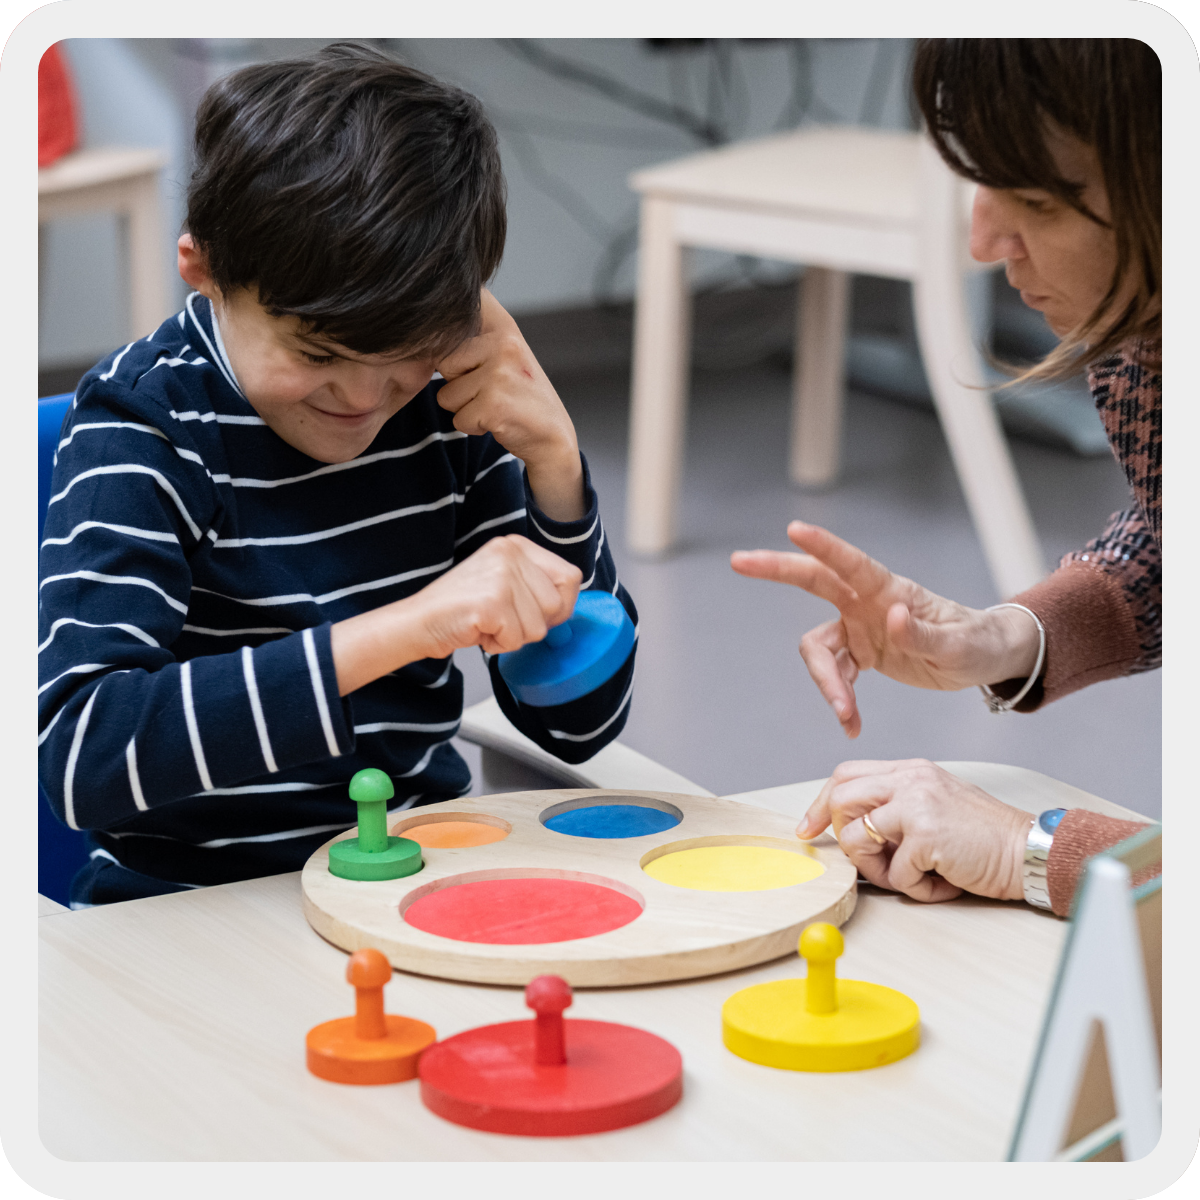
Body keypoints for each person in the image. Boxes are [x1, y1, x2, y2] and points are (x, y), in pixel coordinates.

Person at [38, 44, 637, 907]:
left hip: (416, 886)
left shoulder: (445, 403)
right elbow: (82, 759)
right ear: (204, 269)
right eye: (317, 354)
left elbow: (577, 726)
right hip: (191, 904)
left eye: (406, 355)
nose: (363, 398)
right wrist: (406, 629)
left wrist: (555, 474)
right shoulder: (145, 426)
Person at [731, 38, 1161, 916]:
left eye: (1036, 201)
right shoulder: (1142, 342)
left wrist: (1028, 850)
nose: (982, 241)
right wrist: (1009, 636)